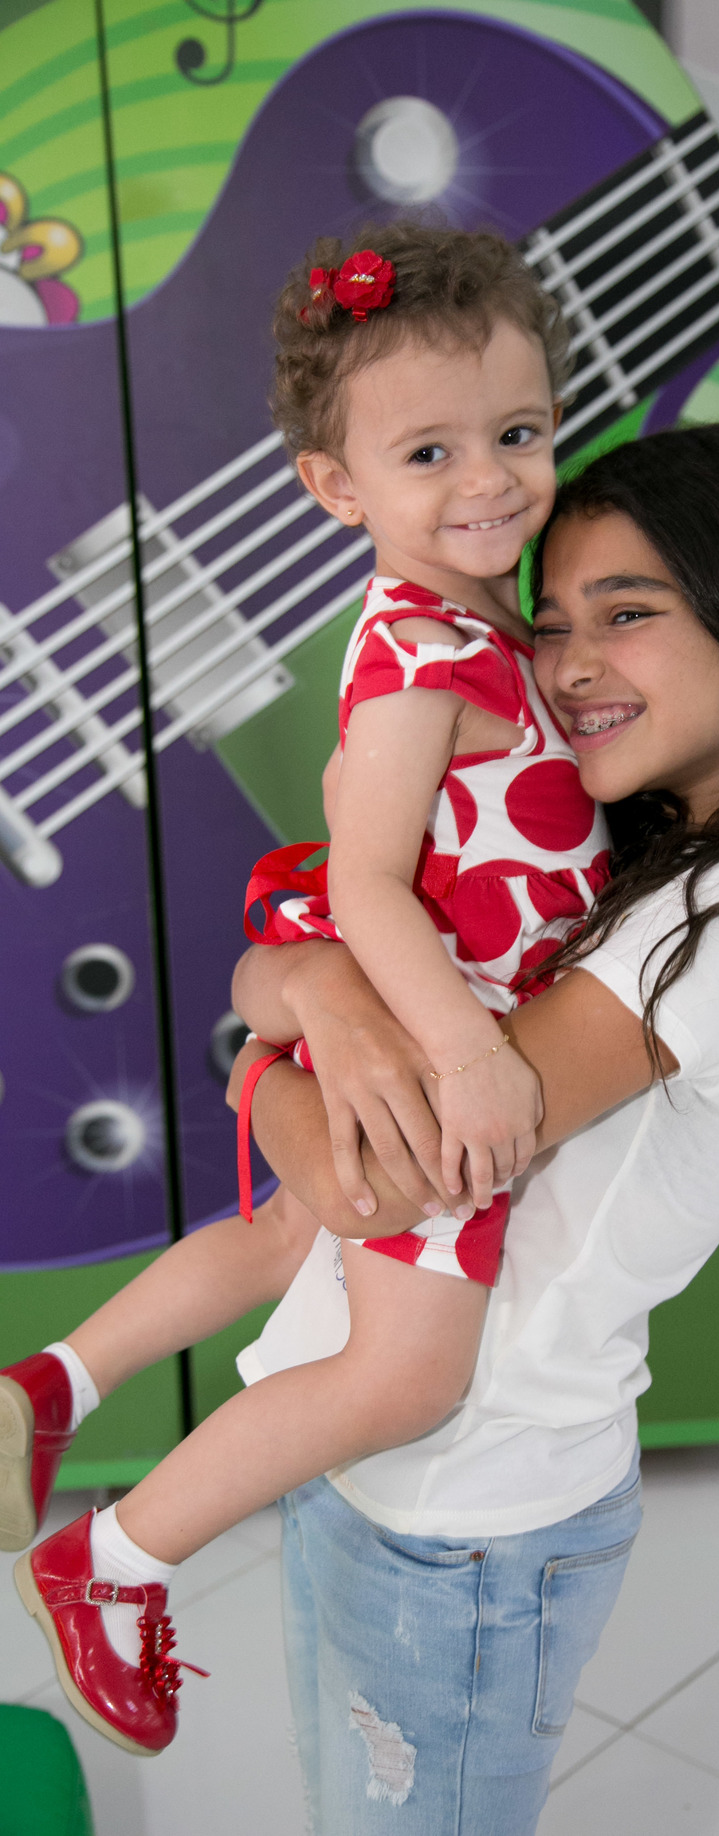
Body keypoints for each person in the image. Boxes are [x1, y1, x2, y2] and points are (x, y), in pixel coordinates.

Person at [212, 421, 719, 1833]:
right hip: (384, 1459)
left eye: (628, 613)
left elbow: (381, 1178)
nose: (568, 666)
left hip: (467, 1516)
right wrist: (309, 991)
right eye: (553, 621)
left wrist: (258, 1061)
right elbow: (302, 974)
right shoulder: (661, 862)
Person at [1, 222, 612, 1758]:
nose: (490, 480)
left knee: (289, 1233)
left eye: (518, 432)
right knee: (406, 1374)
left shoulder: (480, 622)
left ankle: (53, 1384)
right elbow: (365, 885)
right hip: (429, 1036)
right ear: (337, 487)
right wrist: (467, 1055)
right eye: (429, 453)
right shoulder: (422, 655)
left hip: (422, 1002)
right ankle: (116, 1556)